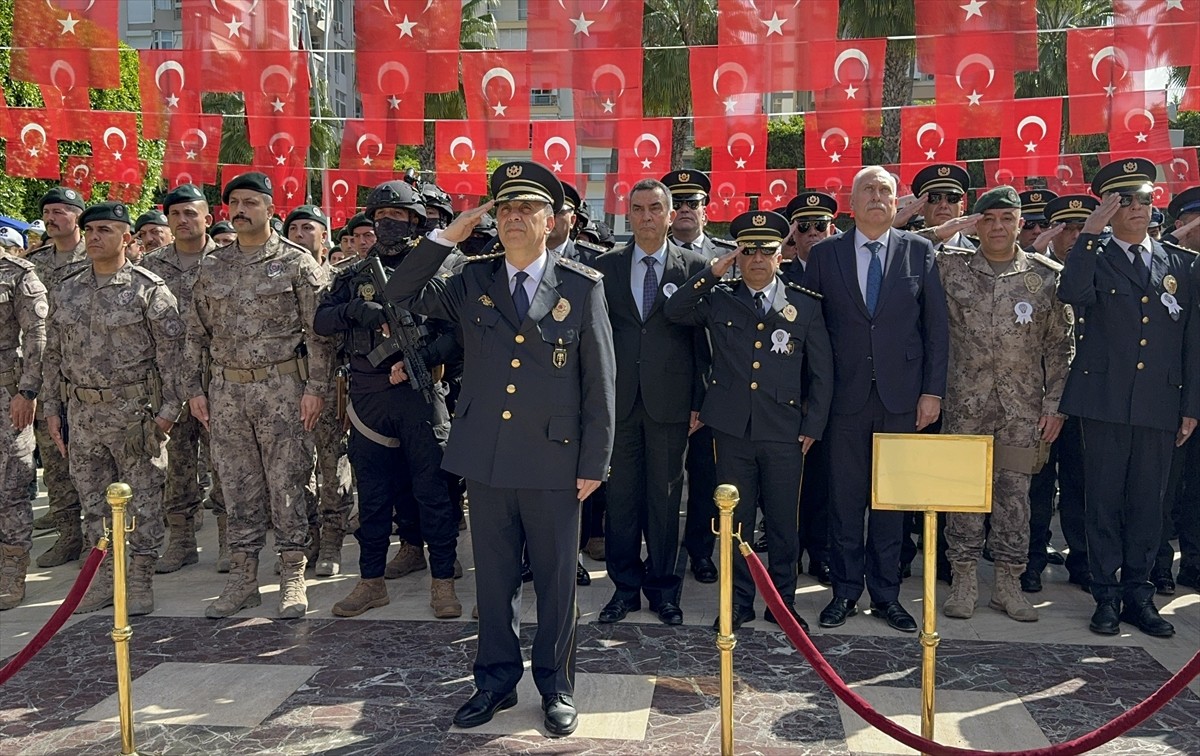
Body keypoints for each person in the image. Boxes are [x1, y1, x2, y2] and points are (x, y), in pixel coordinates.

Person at [384, 161, 615, 738]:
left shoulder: (582, 286)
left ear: (551, 221)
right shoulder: (470, 279)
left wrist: (595, 462)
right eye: (505, 209)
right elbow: (399, 292)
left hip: (555, 462)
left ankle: (556, 686)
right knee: (494, 581)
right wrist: (445, 237)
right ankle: (493, 683)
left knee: (559, 582)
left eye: (527, 209)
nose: (514, 217)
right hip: (486, 457)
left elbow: (601, 382)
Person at [666, 210, 833, 631]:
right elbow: (675, 310)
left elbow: (822, 373)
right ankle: (738, 601)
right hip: (732, 429)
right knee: (734, 523)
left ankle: (782, 603)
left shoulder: (804, 306)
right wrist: (712, 270)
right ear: (738, 256)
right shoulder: (720, 296)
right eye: (748, 250)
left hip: (785, 431)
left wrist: (813, 426)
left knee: (782, 523)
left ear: (782, 255)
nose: (758, 258)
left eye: (767, 250)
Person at [804, 166, 950, 633]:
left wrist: (932, 392)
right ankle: (845, 592)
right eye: (867, 189)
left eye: (885, 190)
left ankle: (887, 595)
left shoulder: (919, 251)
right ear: (850, 203)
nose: (876, 197)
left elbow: (936, 330)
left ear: (897, 202)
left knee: (892, 503)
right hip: (843, 398)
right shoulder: (826, 255)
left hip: (901, 398)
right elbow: (811, 329)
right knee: (844, 501)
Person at [1057, 158, 1199, 637]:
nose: (1140, 207)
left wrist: (1190, 407)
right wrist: (1090, 235)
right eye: (1127, 200)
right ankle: (1105, 594)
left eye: (1145, 197)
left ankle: (1139, 593)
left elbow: (1192, 343)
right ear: (1110, 208)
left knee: (1148, 503)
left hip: (1159, 404)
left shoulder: (1181, 264)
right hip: (1104, 401)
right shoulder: (1094, 254)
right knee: (1103, 500)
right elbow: (1070, 292)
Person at [185, 172, 334, 620]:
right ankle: (243, 579)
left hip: (283, 388)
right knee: (236, 486)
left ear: (271, 209)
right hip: (228, 390)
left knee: (288, 482)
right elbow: (195, 333)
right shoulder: (212, 266)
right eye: (235, 202)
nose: (241, 209)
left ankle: (292, 574)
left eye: (251, 201)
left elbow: (320, 336)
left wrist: (316, 389)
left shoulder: (296, 263)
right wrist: (194, 389)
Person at [314, 183, 462, 617]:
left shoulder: (445, 269)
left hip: (419, 392)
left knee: (435, 491)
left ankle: (443, 582)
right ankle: (371, 581)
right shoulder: (355, 273)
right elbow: (321, 319)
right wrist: (356, 312)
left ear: (417, 220)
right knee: (374, 496)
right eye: (379, 216)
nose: (386, 223)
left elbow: (461, 333)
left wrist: (422, 355)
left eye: (397, 215)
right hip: (367, 397)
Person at [935, 186, 1072, 622]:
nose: (998, 227)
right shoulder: (950, 269)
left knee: (1015, 498)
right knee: (964, 495)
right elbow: (904, 248)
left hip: (1022, 411)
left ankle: (1009, 584)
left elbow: (1060, 347)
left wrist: (1054, 406)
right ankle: (964, 580)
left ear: (1018, 223)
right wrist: (943, 228)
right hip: (964, 404)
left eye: (1007, 219)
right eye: (988, 219)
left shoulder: (1046, 276)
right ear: (976, 223)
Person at [42, 201, 186, 616]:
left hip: (134, 414)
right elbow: (53, 355)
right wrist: (52, 408)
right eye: (90, 231)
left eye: (105, 230)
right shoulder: (67, 288)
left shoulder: (149, 289)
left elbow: (174, 360)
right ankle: (103, 577)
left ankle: (139, 578)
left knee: (141, 500)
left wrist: (166, 415)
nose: (94, 237)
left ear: (128, 238)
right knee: (93, 503)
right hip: (83, 413)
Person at [590, 178, 709, 626]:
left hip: (672, 403)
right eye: (637, 209)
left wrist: (700, 399)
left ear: (670, 212)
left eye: (654, 209)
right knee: (620, 500)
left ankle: (664, 591)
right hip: (618, 402)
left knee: (664, 498)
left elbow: (703, 343)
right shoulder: (607, 267)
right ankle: (624, 589)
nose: (645, 217)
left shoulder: (694, 266)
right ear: (628, 214)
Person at [141, 184, 227, 573]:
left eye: (191, 213)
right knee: (176, 465)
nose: (182, 220)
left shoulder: (227, 261)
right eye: (175, 214)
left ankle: (230, 541)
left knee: (226, 463)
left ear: (207, 218)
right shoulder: (151, 267)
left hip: (220, 380)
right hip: (170, 381)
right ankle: (181, 540)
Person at [660, 170, 736, 584]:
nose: (687, 209)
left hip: (715, 388)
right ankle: (662, 554)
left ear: (706, 209)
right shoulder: (656, 256)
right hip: (665, 384)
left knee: (708, 478)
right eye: (680, 203)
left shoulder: (730, 255)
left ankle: (701, 552)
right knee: (663, 482)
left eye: (694, 202)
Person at [1022, 194, 1098, 594]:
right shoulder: (1038, 273)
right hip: (1040, 395)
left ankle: (1082, 559)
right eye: (1066, 228)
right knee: (1036, 484)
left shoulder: (1101, 270)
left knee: (1080, 483)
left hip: (1085, 397)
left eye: (1081, 228)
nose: (1073, 236)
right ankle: (1032, 560)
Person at [285, 204, 355, 576]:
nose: (299, 234)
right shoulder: (279, 276)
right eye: (293, 228)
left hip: (332, 384)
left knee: (333, 462)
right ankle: (306, 535)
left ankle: (332, 537)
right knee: (296, 467)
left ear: (324, 237)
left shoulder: (341, 278)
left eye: (308, 227)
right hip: (289, 386)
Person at [25, 188, 87, 569]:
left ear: (77, 217)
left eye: (60, 211)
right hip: (50, 374)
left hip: (90, 372)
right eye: (47, 211)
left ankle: (106, 539)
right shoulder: (34, 265)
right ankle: (68, 535)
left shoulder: (96, 256)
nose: (52, 218)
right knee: (55, 459)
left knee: (93, 461)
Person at [0, 235, 47, 611]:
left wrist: (28, 390)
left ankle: (12, 569)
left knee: (11, 485)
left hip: (6, 395)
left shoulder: (17, 274)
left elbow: (37, 334)